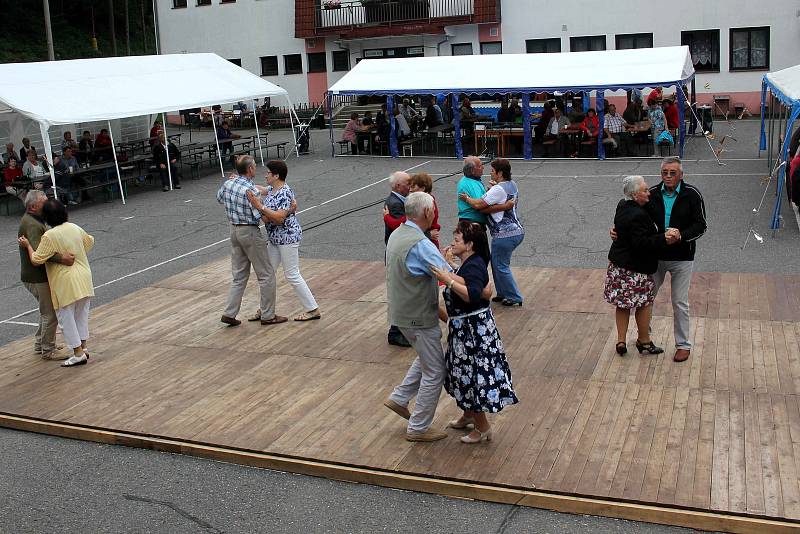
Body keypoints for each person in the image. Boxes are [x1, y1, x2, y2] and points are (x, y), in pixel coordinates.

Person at [431, 221, 518, 443]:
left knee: (472, 377)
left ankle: (482, 427)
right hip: (466, 331)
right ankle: (469, 415)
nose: (452, 242)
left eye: (457, 239)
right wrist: (449, 269)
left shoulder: (476, 264)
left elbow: (471, 292)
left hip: (473, 334)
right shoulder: (470, 263)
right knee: (463, 374)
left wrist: (447, 279)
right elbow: (470, 282)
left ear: (469, 245)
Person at [383, 192, 453, 442]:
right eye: (433, 209)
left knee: (427, 357)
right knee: (435, 370)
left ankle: (400, 397)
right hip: (418, 316)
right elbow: (450, 276)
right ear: (427, 213)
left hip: (401, 313)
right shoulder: (420, 244)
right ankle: (418, 427)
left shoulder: (397, 235)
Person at [605, 176, 677, 357]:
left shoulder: (623, 205)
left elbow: (622, 231)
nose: (649, 193)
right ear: (635, 195)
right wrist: (664, 239)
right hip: (635, 269)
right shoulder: (638, 215)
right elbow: (641, 243)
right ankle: (644, 341)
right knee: (644, 303)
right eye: (645, 190)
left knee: (622, 304)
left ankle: (621, 341)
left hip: (618, 266)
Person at [18, 198, 94, 367]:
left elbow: (37, 259)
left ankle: (77, 353)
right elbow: (89, 242)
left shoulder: (49, 235)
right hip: (84, 276)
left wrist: (28, 245)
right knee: (81, 316)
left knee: (66, 318)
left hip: (65, 281)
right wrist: (75, 249)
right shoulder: (74, 227)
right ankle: (84, 347)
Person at [243, 160, 321, 322]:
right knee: (268, 274)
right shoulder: (272, 189)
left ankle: (312, 309)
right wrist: (240, 179)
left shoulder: (284, 192)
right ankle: (265, 309)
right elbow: (259, 188)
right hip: (275, 239)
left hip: (287, 238)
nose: (265, 175)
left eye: (268, 173)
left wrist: (260, 207)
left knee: (292, 274)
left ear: (276, 175)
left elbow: (279, 218)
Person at [216, 155, 287, 327]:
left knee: (239, 275)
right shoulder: (251, 191)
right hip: (249, 231)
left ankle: (229, 312)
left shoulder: (228, 184)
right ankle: (268, 315)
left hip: (233, 230)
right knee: (266, 274)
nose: (256, 169)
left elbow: (219, 198)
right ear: (249, 170)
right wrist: (279, 212)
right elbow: (261, 216)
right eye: (254, 166)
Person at [17, 191, 75, 361]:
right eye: (44, 202)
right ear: (33, 206)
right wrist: (61, 258)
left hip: (33, 276)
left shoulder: (34, 219)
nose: (48, 203)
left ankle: (40, 343)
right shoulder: (32, 225)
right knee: (50, 313)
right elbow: (40, 253)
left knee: (45, 311)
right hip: (36, 277)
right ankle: (48, 349)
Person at [459, 159, 524, 306]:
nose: (490, 172)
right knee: (496, 264)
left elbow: (479, 205)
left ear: (500, 173)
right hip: (516, 230)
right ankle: (503, 293)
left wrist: (467, 199)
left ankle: (514, 297)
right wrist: (501, 203)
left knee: (501, 265)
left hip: (504, 234)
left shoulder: (498, 189)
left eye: (493, 170)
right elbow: (500, 202)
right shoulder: (511, 185)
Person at [384, 171, 412, 348]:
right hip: (397, 253)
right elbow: (398, 227)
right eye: (407, 183)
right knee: (400, 293)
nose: (410, 186)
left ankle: (401, 329)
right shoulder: (395, 204)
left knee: (403, 292)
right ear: (397, 186)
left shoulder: (397, 201)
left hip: (398, 252)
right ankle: (395, 332)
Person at [456, 156, 487, 227]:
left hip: (470, 221)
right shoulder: (471, 184)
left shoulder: (471, 180)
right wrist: (505, 206)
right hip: (472, 224)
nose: (483, 167)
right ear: (472, 170)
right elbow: (479, 205)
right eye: (480, 166)